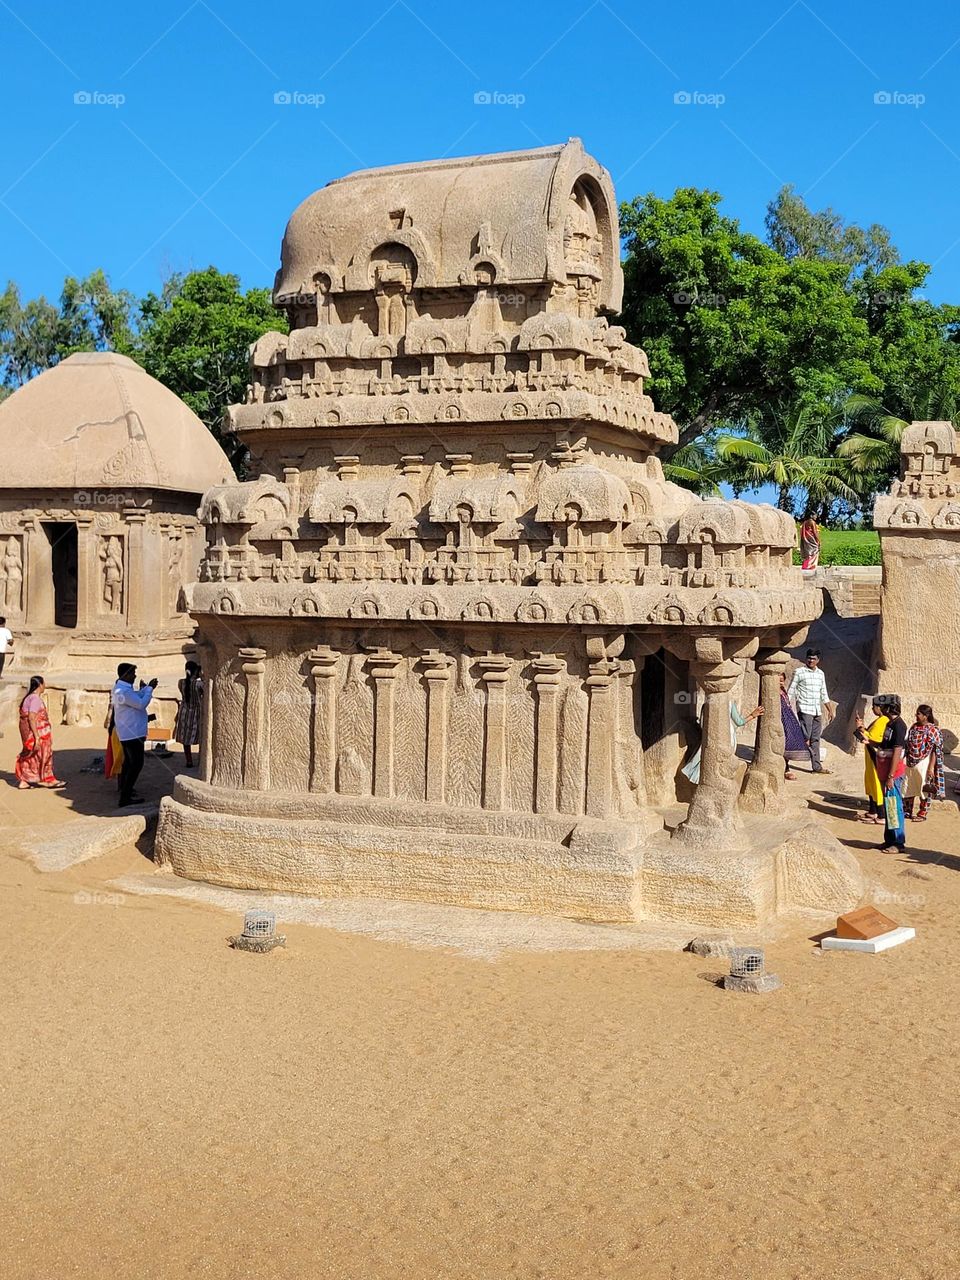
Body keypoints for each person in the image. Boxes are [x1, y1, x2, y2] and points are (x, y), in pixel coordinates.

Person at [681, 700, 763, 785]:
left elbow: (702, 725)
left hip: (710, 739)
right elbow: (739, 722)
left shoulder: (706, 704)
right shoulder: (729, 703)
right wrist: (753, 715)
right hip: (728, 740)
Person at [111, 662, 157, 807]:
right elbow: (141, 704)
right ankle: (125, 796)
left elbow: (136, 698)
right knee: (136, 764)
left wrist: (143, 690)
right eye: (132, 673)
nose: (134, 676)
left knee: (129, 763)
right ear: (125, 675)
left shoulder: (121, 689)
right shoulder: (123, 692)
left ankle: (126, 790)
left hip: (128, 732)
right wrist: (149, 689)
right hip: (132, 734)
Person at [787, 649, 831, 774]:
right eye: (809, 658)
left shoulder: (820, 674)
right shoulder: (799, 672)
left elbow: (824, 693)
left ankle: (816, 767)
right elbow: (792, 689)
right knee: (804, 736)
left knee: (815, 739)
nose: (811, 660)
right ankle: (785, 761)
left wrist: (829, 709)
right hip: (805, 709)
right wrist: (787, 704)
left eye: (813, 658)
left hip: (817, 710)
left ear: (818, 660)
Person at [14, 675, 63, 789]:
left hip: (30, 732)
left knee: (29, 755)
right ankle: (49, 779)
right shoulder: (35, 699)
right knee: (44, 754)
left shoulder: (28, 698)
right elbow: (31, 717)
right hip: (39, 732)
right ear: (40, 685)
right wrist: (37, 736)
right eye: (44, 683)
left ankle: (24, 780)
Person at [873, 695, 908, 853]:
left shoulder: (899, 726)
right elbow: (884, 745)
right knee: (889, 806)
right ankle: (889, 840)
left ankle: (898, 842)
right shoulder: (890, 724)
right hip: (886, 772)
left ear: (889, 708)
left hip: (892, 774)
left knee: (894, 806)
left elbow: (897, 752)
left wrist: (890, 776)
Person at [903, 705, 944, 821]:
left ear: (925, 716)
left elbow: (935, 751)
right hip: (910, 762)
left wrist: (931, 767)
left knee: (924, 789)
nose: (916, 716)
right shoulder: (914, 727)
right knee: (908, 786)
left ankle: (922, 813)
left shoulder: (933, 730)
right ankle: (907, 810)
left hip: (924, 762)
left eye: (919, 714)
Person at [853, 699, 889, 825]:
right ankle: (873, 811)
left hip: (875, 757)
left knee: (876, 786)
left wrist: (860, 729)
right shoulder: (880, 720)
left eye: (874, 707)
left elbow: (870, 738)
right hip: (870, 757)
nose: (873, 709)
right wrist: (862, 727)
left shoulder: (883, 721)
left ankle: (881, 814)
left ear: (880, 707)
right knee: (870, 784)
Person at [779, 672, 811, 779]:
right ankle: (785, 769)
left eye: (782, 680)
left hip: (788, 720)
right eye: (778, 680)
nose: (780, 682)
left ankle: (786, 767)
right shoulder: (774, 693)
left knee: (790, 742)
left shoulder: (783, 691)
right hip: (781, 719)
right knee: (783, 744)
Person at [173, 660, 203, 768]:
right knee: (200, 736)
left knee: (186, 737)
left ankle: (189, 760)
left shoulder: (181, 682)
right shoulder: (199, 684)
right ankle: (201, 759)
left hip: (184, 712)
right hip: (196, 713)